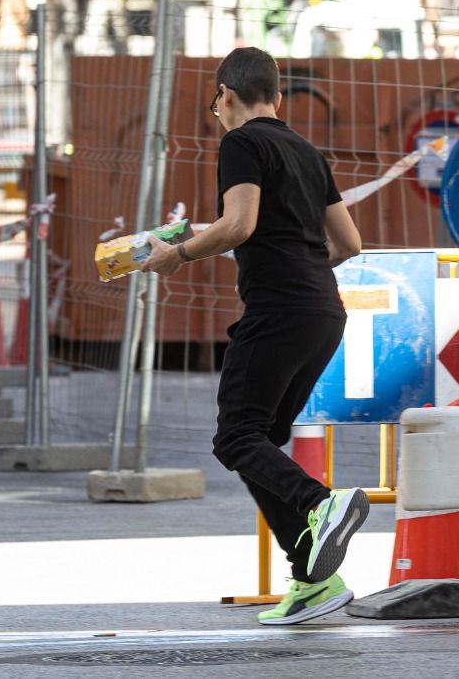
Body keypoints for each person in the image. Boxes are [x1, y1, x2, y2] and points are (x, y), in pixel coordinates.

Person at [138, 47, 369, 626]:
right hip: (323, 311)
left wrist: (179, 255)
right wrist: (298, 269)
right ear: (279, 97)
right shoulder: (306, 151)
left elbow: (240, 224)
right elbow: (348, 246)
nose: (217, 112)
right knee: (258, 438)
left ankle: (323, 504)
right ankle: (312, 580)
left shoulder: (242, 143)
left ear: (227, 95)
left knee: (235, 438)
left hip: (279, 311)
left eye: (216, 103)